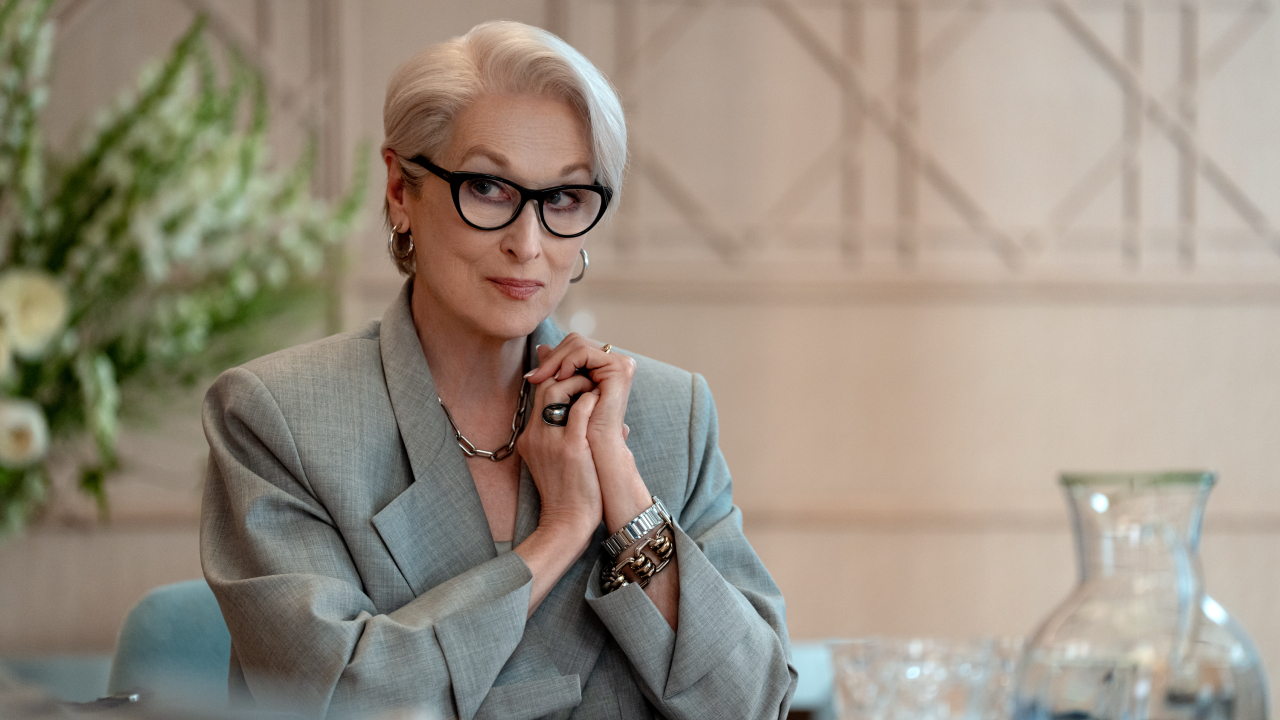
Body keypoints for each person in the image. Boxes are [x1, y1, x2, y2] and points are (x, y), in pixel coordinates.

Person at [200, 20, 796, 720]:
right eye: (487, 188)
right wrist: (562, 532)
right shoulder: (278, 418)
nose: (529, 243)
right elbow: (340, 702)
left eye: (564, 199)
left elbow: (754, 704)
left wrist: (628, 509)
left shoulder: (670, 414)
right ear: (400, 190)